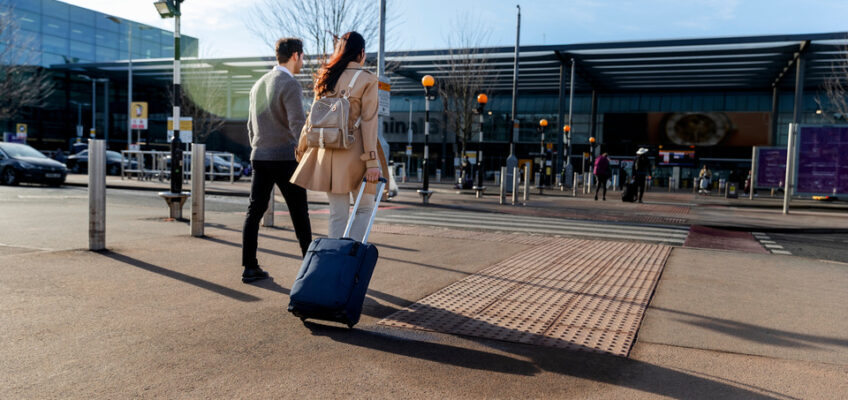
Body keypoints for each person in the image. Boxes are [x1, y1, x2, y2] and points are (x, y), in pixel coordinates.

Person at [292, 31, 389, 242]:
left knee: (337, 215)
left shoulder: (325, 77)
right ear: (361, 53)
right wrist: (372, 161)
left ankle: (334, 264)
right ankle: (349, 259)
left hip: (327, 154)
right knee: (364, 208)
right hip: (356, 154)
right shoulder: (367, 79)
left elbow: (311, 120)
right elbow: (369, 122)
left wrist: (301, 150)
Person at [241, 38, 313, 283]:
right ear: (295, 55)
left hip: (260, 156)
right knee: (299, 214)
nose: (303, 61)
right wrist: (305, 151)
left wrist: (258, 147)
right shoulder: (290, 84)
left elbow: (250, 126)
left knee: (254, 211)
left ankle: (249, 267)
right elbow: (297, 124)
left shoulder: (257, 85)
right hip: (285, 157)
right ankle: (311, 270)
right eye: (303, 57)